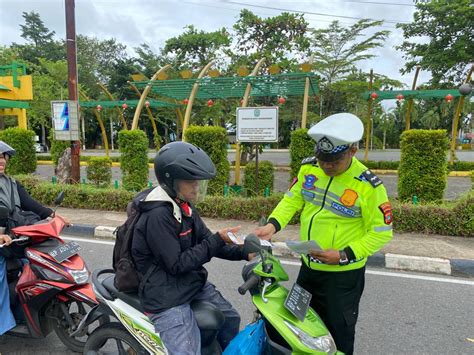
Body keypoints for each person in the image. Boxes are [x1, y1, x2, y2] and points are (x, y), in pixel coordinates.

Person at [255, 113, 393, 355]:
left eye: (335, 160)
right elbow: (293, 199)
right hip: (308, 269)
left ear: (352, 150)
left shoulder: (368, 185)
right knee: (298, 328)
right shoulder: (310, 167)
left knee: (338, 335)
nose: (327, 166)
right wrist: (273, 225)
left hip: (342, 278)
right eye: (323, 160)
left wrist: (343, 255)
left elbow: (381, 233)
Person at [132, 141, 252, 354]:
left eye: (197, 181)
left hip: (188, 284)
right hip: (165, 295)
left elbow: (207, 240)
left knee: (230, 319)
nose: (196, 187)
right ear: (172, 181)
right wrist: (216, 240)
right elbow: (177, 264)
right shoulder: (157, 216)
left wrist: (245, 252)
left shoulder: (184, 206)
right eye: (191, 181)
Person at [0, 141, 68, 336]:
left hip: (14, 240)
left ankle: (24, 313)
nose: (1, 160)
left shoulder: (12, 183)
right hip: (2, 242)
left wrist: (53, 216)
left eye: (3, 156)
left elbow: (30, 203)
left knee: (33, 268)